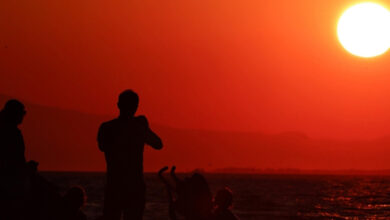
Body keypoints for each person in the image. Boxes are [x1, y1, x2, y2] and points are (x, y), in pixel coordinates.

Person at [98, 90, 163, 220]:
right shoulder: (138, 127)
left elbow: (102, 147)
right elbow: (158, 144)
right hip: (134, 186)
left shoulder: (106, 128)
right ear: (136, 107)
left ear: (118, 105)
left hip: (115, 185)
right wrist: (143, 127)